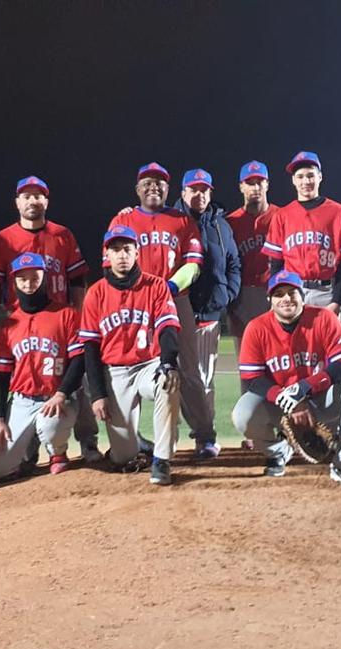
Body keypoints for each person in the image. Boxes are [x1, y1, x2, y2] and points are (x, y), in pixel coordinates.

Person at [0, 176, 98, 461]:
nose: (33, 201)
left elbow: (77, 280)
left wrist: (81, 319)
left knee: (77, 382)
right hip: (20, 321)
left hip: (61, 318)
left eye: (38, 195)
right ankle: (26, 446)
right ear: (17, 201)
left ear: (47, 201)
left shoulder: (62, 234)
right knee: (24, 378)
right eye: (27, 196)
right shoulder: (4, 239)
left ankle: (88, 441)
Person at [109, 162, 215, 459]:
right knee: (131, 364)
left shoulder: (181, 220)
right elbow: (110, 265)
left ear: (168, 189)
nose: (153, 187)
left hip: (175, 298)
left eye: (160, 183)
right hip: (133, 302)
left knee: (189, 370)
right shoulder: (123, 220)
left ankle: (204, 436)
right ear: (137, 189)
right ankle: (134, 438)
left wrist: (167, 287)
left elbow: (193, 264)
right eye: (147, 182)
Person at [232, 270, 341, 488]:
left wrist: (305, 388)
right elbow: (252, 378)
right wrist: (284, 397)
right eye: (279, 294)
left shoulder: (323, 317)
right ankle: (279, 451)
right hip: (281, 403)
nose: (286, 298)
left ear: (302, 296)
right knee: (243, 414)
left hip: (319, 400)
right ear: (270, 300)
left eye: (291, 293)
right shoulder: (257, 328)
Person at [80, 225, 182, 486]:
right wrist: (99, 394)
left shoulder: (156, 285)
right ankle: (137, 443)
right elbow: (90, 349)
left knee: (168, 381)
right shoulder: (96, 293)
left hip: (149, 364)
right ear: (107, 255)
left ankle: (161, 460)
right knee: (123, 455)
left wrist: (168, 361)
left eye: (127, 248)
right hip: (115, 372)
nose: (122, 254)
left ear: (137, 252)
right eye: (115, 249)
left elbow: (168, 327)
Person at [0, 253, 85, 482]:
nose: (29, 284)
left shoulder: (66, 314)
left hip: (58, 397)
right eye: (22, 279)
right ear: (15, 283)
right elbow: (0, 377)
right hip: (22, 401)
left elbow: (79, 361)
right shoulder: (9, 325)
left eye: (34, 278)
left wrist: (62, 394)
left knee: (50, 426)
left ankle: (57, 453)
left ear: (45, 278)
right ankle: (25, 454)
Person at [173, 168, 240, 458]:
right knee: (172, 377)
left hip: (210, 312)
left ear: (210, 192)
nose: (199, 194)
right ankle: (169, 438)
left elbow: (233, 262)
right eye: (193, 189)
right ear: (183, 193)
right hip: (176, 311)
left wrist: (227, 294)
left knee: (205, 379)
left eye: (204, 189)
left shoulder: (221, 226)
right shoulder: (171, 221)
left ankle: (204, 438)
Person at [261, 151, 341, 312]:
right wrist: (275, 294)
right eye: (300, 176)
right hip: (292, 290)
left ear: (320, 177)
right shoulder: (282, 216)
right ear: (293, 180)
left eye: (310, 175)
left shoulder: (338, 212)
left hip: (326, 292)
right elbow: (275, 264)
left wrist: (337, 299)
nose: (306, 181)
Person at [226, 160, 279, 357]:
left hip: (275, 292)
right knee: (247, 361)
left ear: (267, 184)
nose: (255, 187)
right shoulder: (231, 222)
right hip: (243, 295)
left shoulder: (282, 216)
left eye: (260, 182)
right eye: (250, 182)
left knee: (279, 358)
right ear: (241, 187)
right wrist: (232, 305)